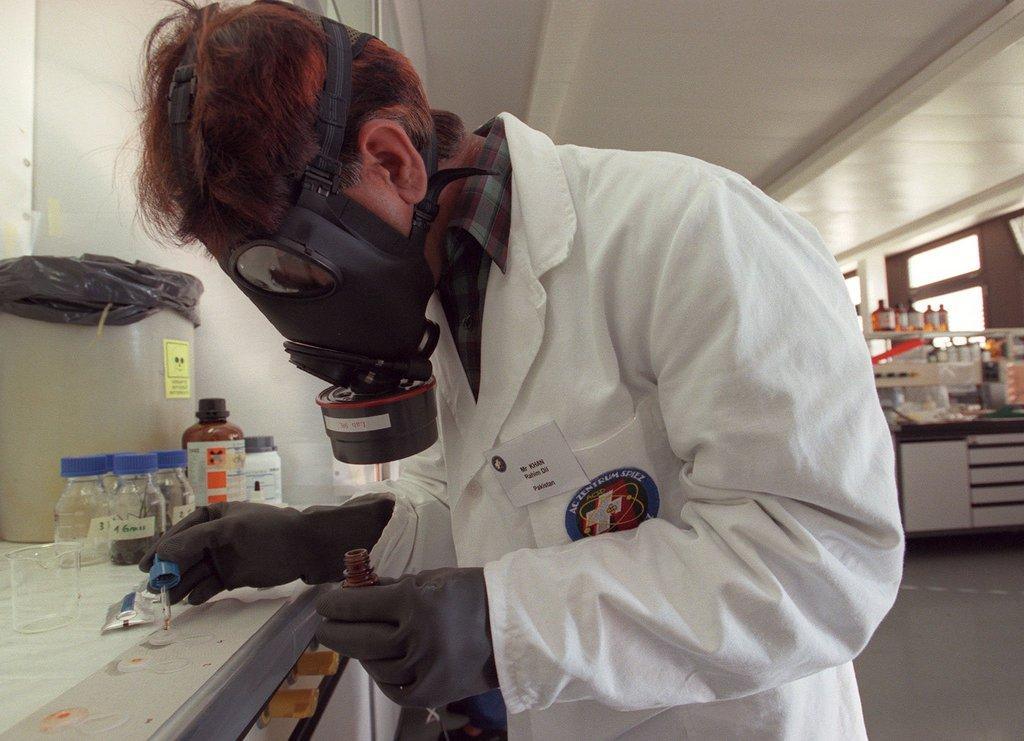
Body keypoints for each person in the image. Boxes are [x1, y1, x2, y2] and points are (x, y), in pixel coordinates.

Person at [137, 2, 905, 739]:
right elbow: (495, 502)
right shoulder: (443, 290)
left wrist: (502, 620)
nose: (298, 313)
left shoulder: (693, 228)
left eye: (292, 268)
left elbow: (817, 560)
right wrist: (327, 538)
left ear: (390, 160)